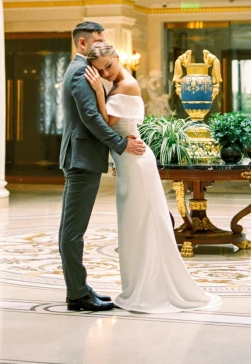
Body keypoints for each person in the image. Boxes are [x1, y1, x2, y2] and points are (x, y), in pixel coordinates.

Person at [85, 41, 221, 314]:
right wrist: (102, 87)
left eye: (108, 67)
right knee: (135, 226)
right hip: (129, 162)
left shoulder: (126, 86)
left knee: (143, 224)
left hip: (136, 164)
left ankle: (148, 290)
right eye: (100, 71)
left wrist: (99, 92)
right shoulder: (117, 84)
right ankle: (138, 286)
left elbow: (104, 123)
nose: (106, 74)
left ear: (117, 58)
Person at [59, 21, 147, 313]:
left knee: (73, 229)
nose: (101, 45)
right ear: (82, 44)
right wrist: (120, 145)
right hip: (81, 158)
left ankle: (80, 288)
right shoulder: (80, 73)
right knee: (73, 231)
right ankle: (77, 295)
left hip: (82, 157)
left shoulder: (85, 71)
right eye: (97, 40)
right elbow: (91, 119)